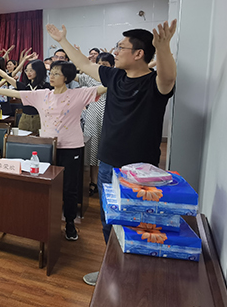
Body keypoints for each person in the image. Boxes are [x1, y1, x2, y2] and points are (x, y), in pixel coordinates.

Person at [46, 19, 177, 286]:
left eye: (121, 47)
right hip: (108, 163)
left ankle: (136, 276)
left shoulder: (154, 83)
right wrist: (61, 41)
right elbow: (83, 64)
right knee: (108, 219)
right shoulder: (115, 77)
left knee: (137, 223)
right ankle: (114, 270)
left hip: (141, 171)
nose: (115, 52)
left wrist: (163, 47)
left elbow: (168, 77)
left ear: (138, 54)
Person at [0, 60, 106, 242]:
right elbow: (16, 93)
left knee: (69, 188)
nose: (51, 76)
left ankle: (70, 223)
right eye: (51, 72)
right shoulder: (43, 94)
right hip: (47, 147)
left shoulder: (78, 94)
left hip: (71, 147)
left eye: (56, 73)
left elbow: (105, 86)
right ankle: (45, 220)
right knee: (45, 185)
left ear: (66, 77)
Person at [76, 52, 115, 196]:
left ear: (112, 66)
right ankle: (93, 182)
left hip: (111, 117)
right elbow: (74, 76)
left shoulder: (116, 78)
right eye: (99, 64)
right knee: (92, 150)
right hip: (93, 117)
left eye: (105, 65)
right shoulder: (90, 78)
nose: (101, 67)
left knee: (109, 150)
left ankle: (110, 183)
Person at [0, 53, 50, 134]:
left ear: (38, 70)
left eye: (31, 70)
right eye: (26, 70)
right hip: (25, 119)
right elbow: (5, 76)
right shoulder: (24, 86)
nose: (28, 73)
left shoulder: (47, 87)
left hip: (41, 119)